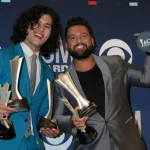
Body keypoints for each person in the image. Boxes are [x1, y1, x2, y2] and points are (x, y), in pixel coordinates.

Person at [53, 17, 150, 150]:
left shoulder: (116, 63)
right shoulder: (62, 81)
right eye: (72, 38)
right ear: (66, 45)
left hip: (129, 144)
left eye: (83, 36)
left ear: (92, 41)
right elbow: (58, 118)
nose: (79, 41)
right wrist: (71, 121)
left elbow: (147, 79)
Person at [0, 5, 61, 150]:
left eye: (47, 26)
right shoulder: (3, 56)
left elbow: (41, 114)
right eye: (37, 23)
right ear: (25, 25)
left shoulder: (48, 72)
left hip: (33, 144)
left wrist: (49, 127)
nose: (41, 29)